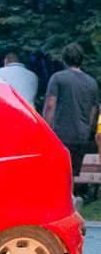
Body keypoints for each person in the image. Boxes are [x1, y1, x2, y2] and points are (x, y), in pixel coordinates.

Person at [42, 42, 99, 177]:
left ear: (64, 59)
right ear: (81, 59)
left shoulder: (58, 78)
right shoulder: (92, 82)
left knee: (57, 174)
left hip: (61, 135)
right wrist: (86, 129)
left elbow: (50, 106)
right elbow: (93, 111)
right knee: (71, 174)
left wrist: (45, 130)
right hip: (81, 136)